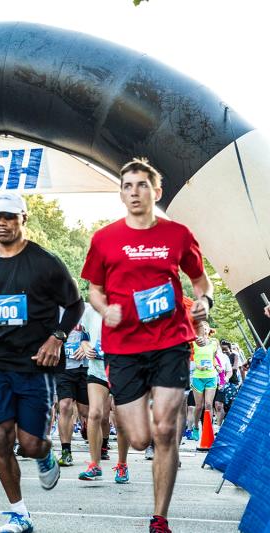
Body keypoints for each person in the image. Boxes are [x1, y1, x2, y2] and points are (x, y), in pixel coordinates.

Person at [81, 158, 213, 533]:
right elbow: (94, 290)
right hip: (123, 347)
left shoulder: (179, 235)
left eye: (141, 185)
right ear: (121, 193)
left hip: (171, 341)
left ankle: (160, 519)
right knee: (139, 439)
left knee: (166, 430)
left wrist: (204, 302)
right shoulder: (104, 239)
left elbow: (202, 282)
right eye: (127, 185)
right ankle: (145, 451)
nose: (134, 191)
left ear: (156, 192)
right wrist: (105, 310)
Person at [0, 192, 84, 533]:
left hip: (34, 366)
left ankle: (44, 453)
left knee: (30, 443)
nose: (2, 223)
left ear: (24, 217)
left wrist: (57, 337)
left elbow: (75, 305)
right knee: (0, 436)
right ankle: (18, 513)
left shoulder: (45, 262)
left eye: (9, 217)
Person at [74, 303, 131, 483]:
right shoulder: (90, 311)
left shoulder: (127, 307)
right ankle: (94, 464)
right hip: (97, 370)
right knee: (95, 414)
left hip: (122, 371)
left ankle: (122, 465)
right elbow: (84, 336)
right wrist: (85, 346)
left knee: (121, 421)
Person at [55, 312, 90, 467]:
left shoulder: (88, 309)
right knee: (65, 406)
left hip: (86, 367)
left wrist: (87, 346)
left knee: (87, 412)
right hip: (64, 368)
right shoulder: (54, 310)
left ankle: (97, 441)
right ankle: (66, 451)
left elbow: (99, 332)